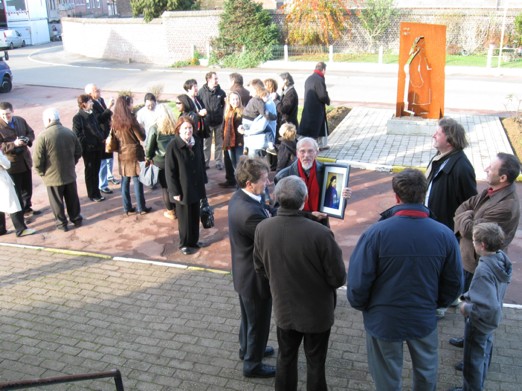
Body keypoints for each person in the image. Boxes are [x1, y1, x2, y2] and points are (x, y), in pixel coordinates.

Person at [347, 169, 463, 391]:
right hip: (423, 317)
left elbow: (358, 283)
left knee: (386, 376)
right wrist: (437, 304)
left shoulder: (375, 234)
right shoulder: (445, 235)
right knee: (426, 371)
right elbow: (454, 283)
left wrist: (364, 307)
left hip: (383, 319)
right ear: (423, 194)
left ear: (396, 196)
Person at [253, 175, 345, 391]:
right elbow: (338, 278)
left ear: (275, 197)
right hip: (317, 314)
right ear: (304, 200)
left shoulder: (263, 228)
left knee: (285, 358)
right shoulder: (321, 233)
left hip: (285, 309)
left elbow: (260, 268)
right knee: (315, 363)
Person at [450, 153, 520, 356]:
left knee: (478, 314)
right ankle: (468, 338)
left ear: (503, 177)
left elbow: (471, 230)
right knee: (470, 310)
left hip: (480, 265)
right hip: (471, 261)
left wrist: (466, 216)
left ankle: (474, 359)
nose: (486, 169)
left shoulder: (506, 206)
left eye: (491, 167)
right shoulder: (492, 192)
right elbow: (464, 207)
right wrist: (468, 215)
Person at [448, 223, 512, 391]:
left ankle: (471, 388)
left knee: (472, 360)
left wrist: (466, 308)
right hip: (491, 322)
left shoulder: (483, 270)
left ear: (482, 245)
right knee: (484, 352)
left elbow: (486, 307)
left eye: (474, 241)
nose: (472, 243)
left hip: (479, 322)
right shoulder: (501, 259)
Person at [228, 157, 275, 379]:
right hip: (255, 277)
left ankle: (246, 349)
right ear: (250, 183)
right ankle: (252, 364)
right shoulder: (250, 213)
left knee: (248, 317)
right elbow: (272, 237)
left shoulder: (240, 198)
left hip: (243, 273)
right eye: (264, 179)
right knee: (258, 322)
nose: (267, 183)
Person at [275, 137, 351, 224]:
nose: (306, 155)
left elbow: (333, 204)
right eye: (302, 151)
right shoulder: (283, 176)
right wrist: (309, 215)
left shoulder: (326, 172)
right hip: (295, 226)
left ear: (316, 153)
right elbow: (278, 210)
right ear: (297, 153)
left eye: (310, 151)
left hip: (320, 224)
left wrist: (342, 197)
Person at [33, 108, 83, 232]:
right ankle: (76, 219)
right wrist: (72, 163)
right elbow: (78, 151)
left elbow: (38, 159)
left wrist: (41, 172)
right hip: (69, 173)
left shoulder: (43, 136)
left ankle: (62, 224)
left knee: (56, 202)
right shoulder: (69, 133)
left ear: (49, 120)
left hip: (52, 176)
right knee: (72, 198)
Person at [165, 116, 207, 255]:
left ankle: (194, 241)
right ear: (179, 130)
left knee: (195, 215)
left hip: (196, 185)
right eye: (185, 128)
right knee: (184, 218)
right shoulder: (173, 145)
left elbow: (201, 164)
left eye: (190, 128)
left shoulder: (197, 142)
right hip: (182, 188)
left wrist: (203, 182)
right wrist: (174, 191)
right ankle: (184, 243)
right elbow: (170, 171)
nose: (188, 131)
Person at [425, 117, 477, 231]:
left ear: (450, 141)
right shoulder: (439, 156)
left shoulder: (462, 168)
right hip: (432, 225)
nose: (433, 136)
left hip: (445, 231)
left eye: (438, 134)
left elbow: (469, 205)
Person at [111, 95, 151, 215]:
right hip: (134, 152)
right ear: (127, 105)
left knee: (125, 181)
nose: (132, 105)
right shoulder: (131, 120)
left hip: (122, 153)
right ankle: (141, 207)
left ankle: (126, 207)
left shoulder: (115, 120)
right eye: (131, 103)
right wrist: (142, 129)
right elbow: (141, 137)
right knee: (137, 180)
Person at [0, 101, 39, 216]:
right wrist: (14, 144)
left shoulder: (20, 121)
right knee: (17, 191)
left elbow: (31, 132)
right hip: (12, 164)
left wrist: (28, 139)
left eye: (7, 114)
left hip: (25, 161)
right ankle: (20, 213)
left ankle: (27, 208)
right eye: (2, 114)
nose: (5, 116)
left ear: (12, 111)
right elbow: (1, 146)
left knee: (27, 188)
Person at [85, 83, 119, 196]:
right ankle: (102, 185)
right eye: (96, 90)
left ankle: (109, 176)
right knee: (103, 161)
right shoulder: (91, 105)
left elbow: (106, 116)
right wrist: (109, 107)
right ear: (90, 94)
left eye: (98, 89)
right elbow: (98, 119)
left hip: (108, 133)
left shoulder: (100, 100)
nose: (99, 91)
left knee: (109, 156)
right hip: (101, 136)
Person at [145, 104, 177, 221]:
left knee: (165, 187)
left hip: (160, 160)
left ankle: (171, 211)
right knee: (175, 184)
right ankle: (178, 208)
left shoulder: (154, 128)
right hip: (174, 159)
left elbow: (149, 146)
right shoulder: (175, 126)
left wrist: (148, 157)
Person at [72, 94, 105, 203]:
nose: (92, 103)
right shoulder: (78, 118)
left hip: (98, 147)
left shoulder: (92, 114)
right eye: (90, 102)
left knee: (96, 170)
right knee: (90, 171)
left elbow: (98, 128)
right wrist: (89, 143)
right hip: (88, 150)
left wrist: (101, 137)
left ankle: (97, 192)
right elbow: (78, 135)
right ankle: (92, 194)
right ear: (84, 104)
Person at [0, 145, 36, 237]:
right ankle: (21, 229)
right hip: (2, 180)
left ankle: (1, 229)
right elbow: (7, 164)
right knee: (13, 204)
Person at [197, 72, 226, 170]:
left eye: (217, 79)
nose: (217, 80)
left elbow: (224, 106)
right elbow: (198, 106)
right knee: (206, 144)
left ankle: (219, 162)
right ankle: (206, 162)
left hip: (218, 122)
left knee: (219, 143)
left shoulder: (221, 92)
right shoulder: (201, 92)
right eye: (215, 79)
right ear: (208, 79)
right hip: (207, 123)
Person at [299, 62, 330, 149]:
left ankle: (317, 145)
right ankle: (317, 146)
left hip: (309, 107)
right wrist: (328, 100)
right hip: (316, 109)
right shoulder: (319, 79)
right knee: (316, 128)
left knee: (313, 128)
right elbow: (322, 95)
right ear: (323, 70)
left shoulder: (309, 78)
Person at [242, 80, 277, 158]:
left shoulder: (266, 103)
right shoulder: (259, 101)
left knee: (254, 165)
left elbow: (262, 125)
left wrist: (246, 132)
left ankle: (271, 145)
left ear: (256, 90)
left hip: (257, 142)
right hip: (255, 139)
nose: (250, 94)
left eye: (251, 90)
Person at [222, 91, 244, 172]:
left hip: (239, 142)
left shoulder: (243, 111)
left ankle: (241, 184)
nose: (236, 101)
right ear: (229, 101)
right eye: (233, 99)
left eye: (237, 99)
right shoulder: (227, 113)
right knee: (234, 164)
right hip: (229, 142)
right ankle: (237, 182)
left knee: (240, 165)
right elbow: (223, 127)